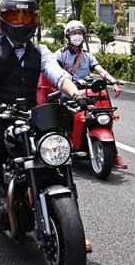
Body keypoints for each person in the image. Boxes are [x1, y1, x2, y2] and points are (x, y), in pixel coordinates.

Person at [0, 0, 90, 265]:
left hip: (30, 118)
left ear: (34, 20)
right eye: (14, 16)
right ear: (3, 19)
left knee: (59, 162)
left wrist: (75, 93)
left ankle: (71, 227)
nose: (20, 21)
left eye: (26, 16)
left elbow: (58, 74)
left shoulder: (40, 51)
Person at [54, 19, 127, 169]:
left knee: (105, 111)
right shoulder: (60, 55)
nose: (77, 36)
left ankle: (113, 153)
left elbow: (99, 70)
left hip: (86, 91)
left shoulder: (87, 56)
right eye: (74, 33)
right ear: (67, 36)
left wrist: (114, 82)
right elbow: (55, 74)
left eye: (80, 33)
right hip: (68, 93)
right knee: (62, 117)